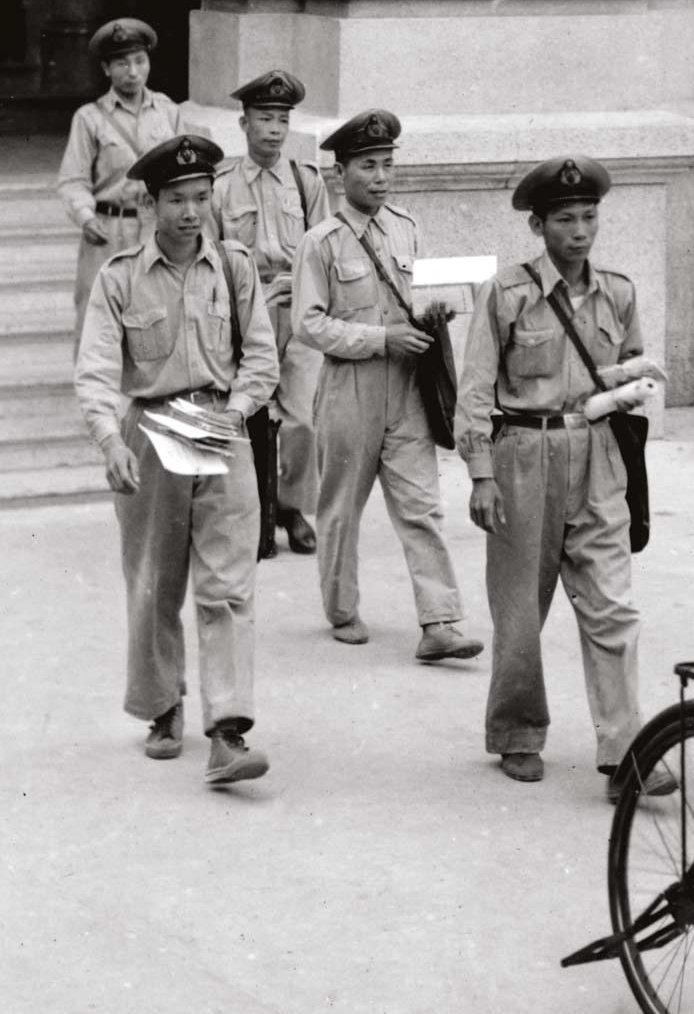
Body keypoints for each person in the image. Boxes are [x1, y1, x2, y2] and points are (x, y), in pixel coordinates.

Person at [454, 155, 672, 799]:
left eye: (589, 217)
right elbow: (473, 391)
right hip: (524, 453)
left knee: (612, 606)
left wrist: (636, 387)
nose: (581, 231)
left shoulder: (619, 291)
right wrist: (480, 475)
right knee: (521, 608)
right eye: (566, 220)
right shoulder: (509, 293)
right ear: (538, 225)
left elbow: (634, 367)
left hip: (598, 456)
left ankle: (625, 752)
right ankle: (518, 733)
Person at [74, 134, 280, 787]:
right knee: (153, 582)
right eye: (177, 199)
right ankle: (163, 705)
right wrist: (110, 441)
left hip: (220, 423)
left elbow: (262, 359)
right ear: (150, 202)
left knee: (228, 584)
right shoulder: (120, 276)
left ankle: (228, 729)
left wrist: (237, 408)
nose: (191, 211)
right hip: (152, 426)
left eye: (201, 196)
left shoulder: (235, 267)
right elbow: (97, 371)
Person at [291, 107, 482, 660]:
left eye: (386, 165)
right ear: (340, 173)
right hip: (350, 388)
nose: (379, 177)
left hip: (407, 391)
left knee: (421, 506)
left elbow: (424, 298)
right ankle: (342, 607)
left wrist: (443, 308)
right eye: (368, 166)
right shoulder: (321, 242)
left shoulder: (407, 226)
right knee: (341, 509)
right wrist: (381, 338)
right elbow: (310, 323)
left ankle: (440, 621)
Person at [212, 69, 330, 554]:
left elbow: (325, 247)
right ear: (244, 124)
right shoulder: (220, 188)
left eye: (282, 119)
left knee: (304, 416)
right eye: (265, 118)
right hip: (246, 316)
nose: (275, 129)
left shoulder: (306, 181)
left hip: (297, 313)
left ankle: (293, 506)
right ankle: (255, 511)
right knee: (250, 413)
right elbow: (214, 259)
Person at [57, 18, 184, 348]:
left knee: (157, 317)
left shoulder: (168, 113)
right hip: (107, 230)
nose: (133, 71)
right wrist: (85, 217)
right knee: (96, 320)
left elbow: (182, 176)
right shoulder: (90, 118)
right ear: (106, 68)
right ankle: (95, 398)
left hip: (156, 230)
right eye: (122, 63)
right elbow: (73, 180)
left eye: (140, 61)